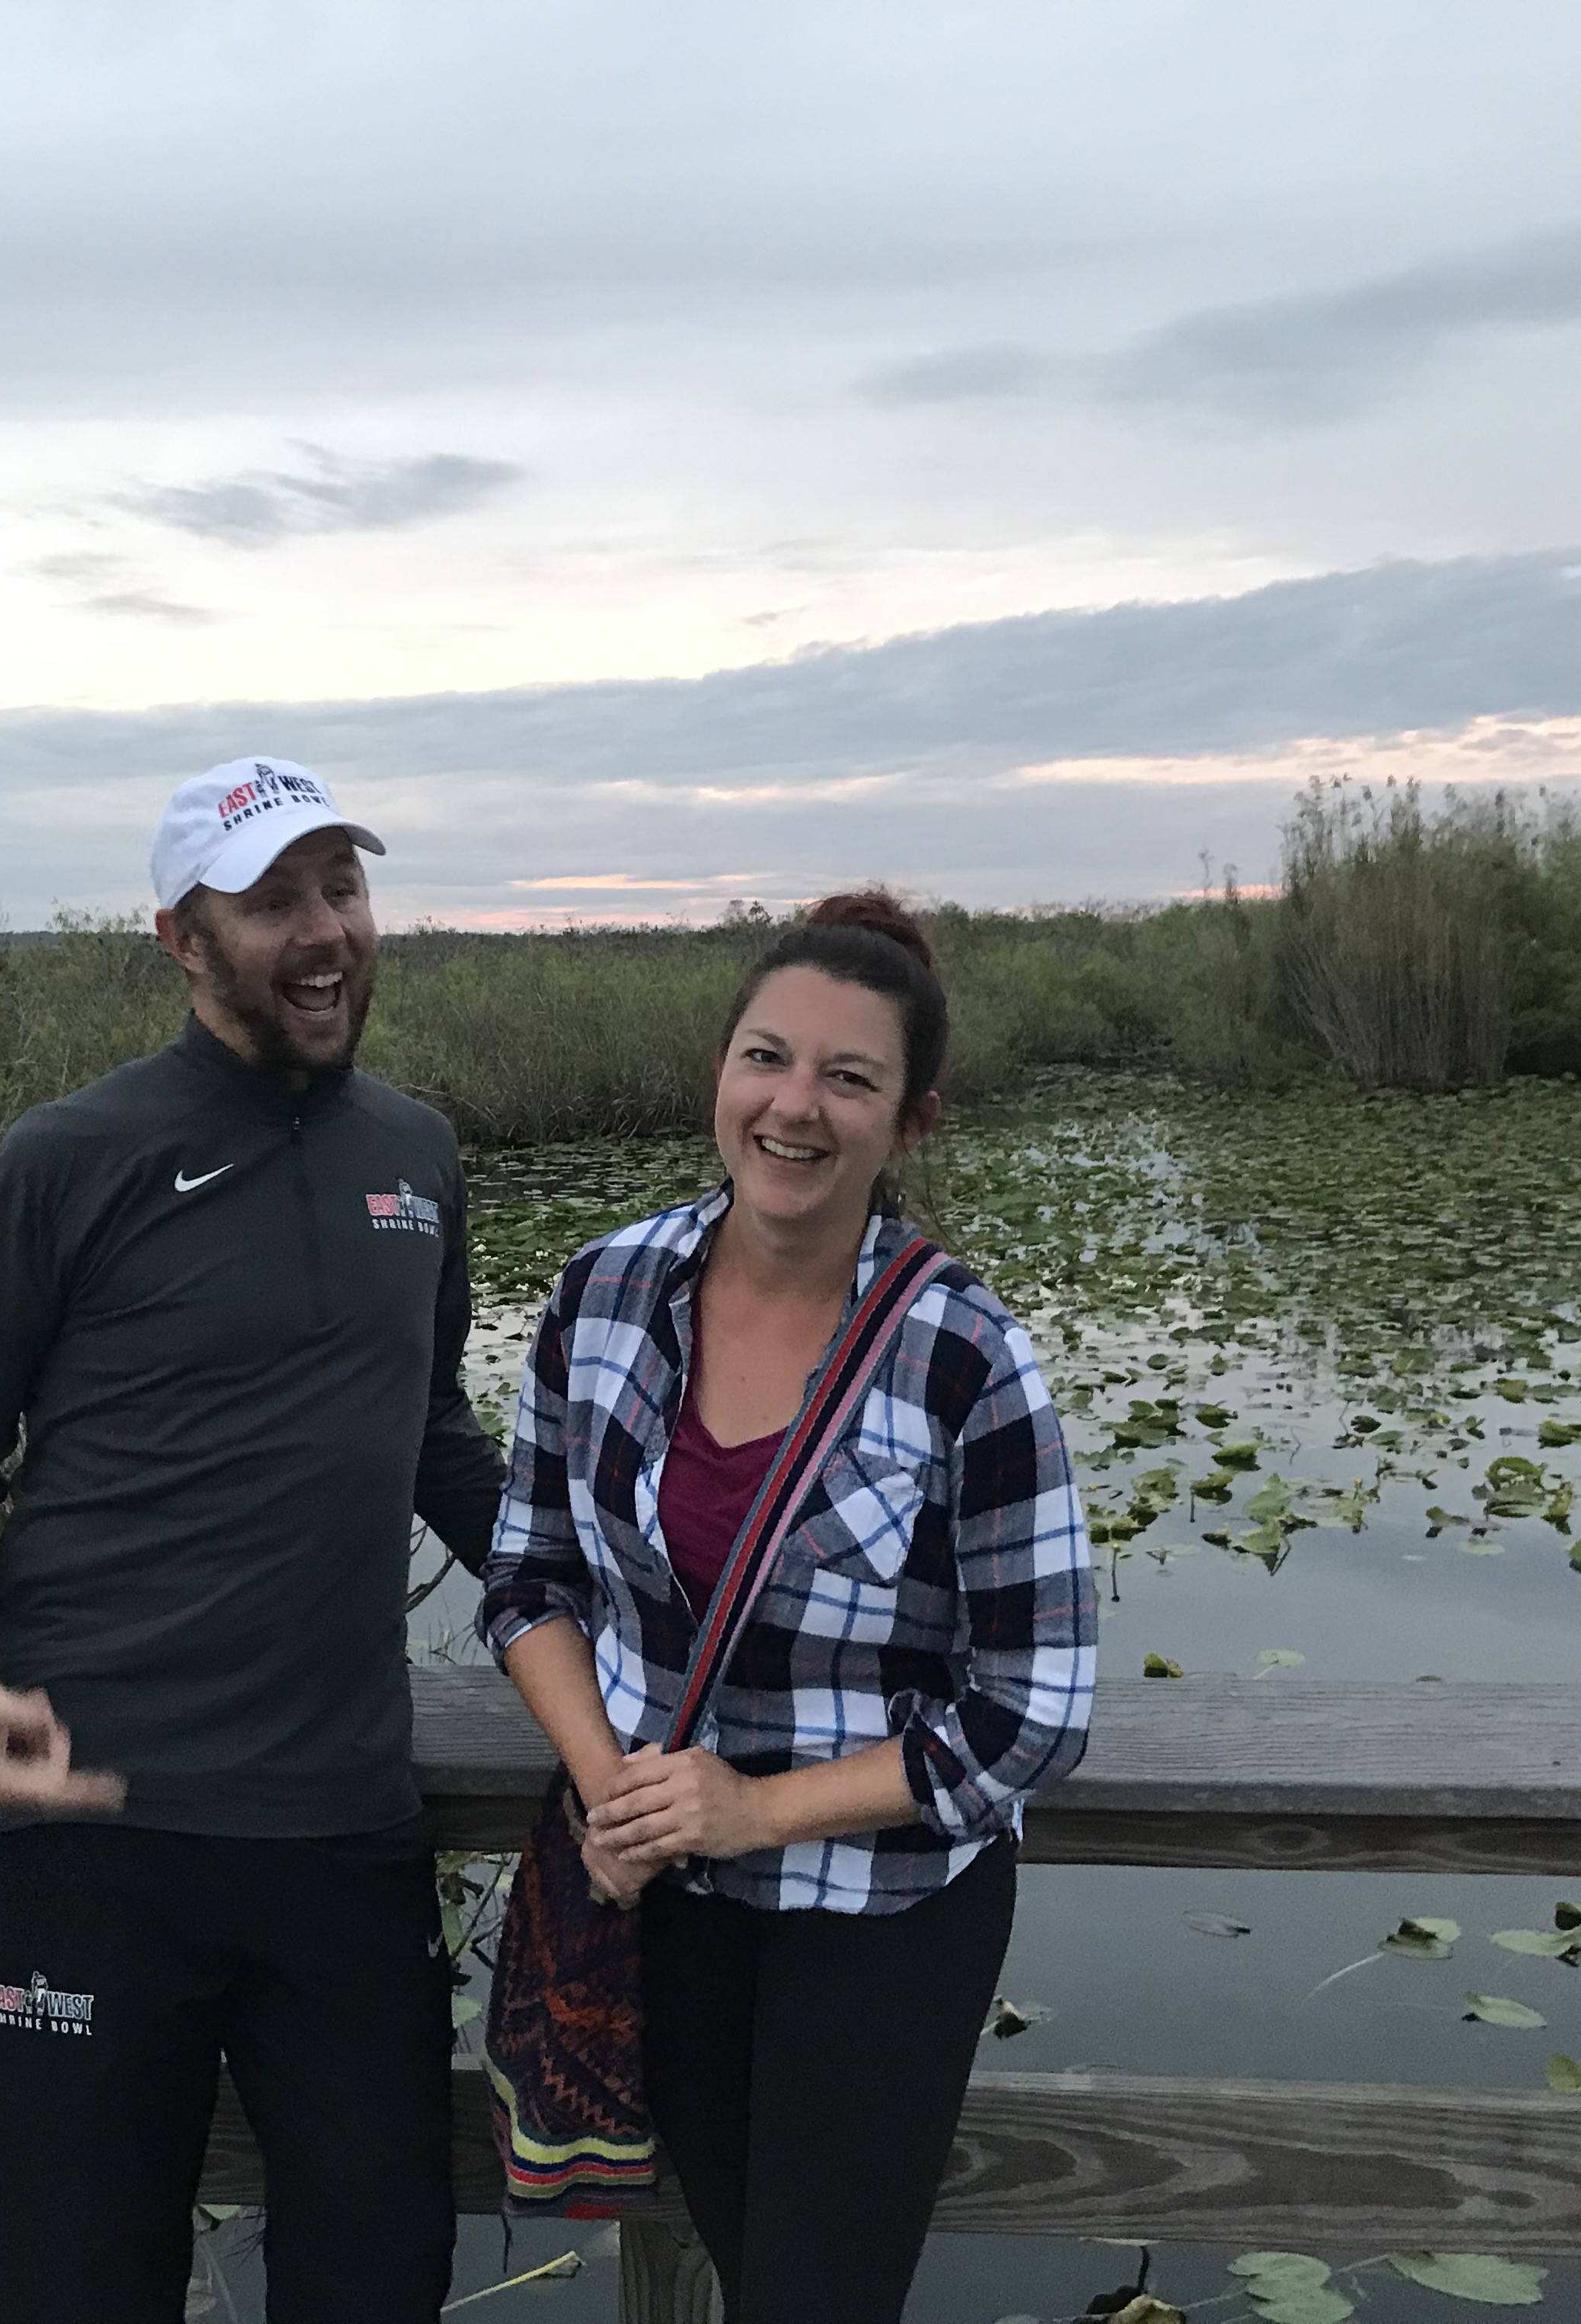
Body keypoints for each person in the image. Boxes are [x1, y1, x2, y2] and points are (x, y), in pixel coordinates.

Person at [0, 755, 505, 2322]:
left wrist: (602, 1613)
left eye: (343, 887)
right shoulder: (67, 1156)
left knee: (379, 2283)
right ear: (181, 938)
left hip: (343, 1840)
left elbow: (435, 1434)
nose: (326, 930)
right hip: (86, 1841)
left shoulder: (418, 1157)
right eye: (275, 900)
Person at [477, 891, 1095, 2324]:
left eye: (848, 1078)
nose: (794, 1106)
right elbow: (529, 1576)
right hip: (671, 1897)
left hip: (878, 1914)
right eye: (767, 1057)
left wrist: (754, 1810)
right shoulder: (603, 1292)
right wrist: (615, 1790)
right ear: (722, 1071)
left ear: (911, 1123)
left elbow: (1036, 1713)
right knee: (748, 2264)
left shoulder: (966, 1355)